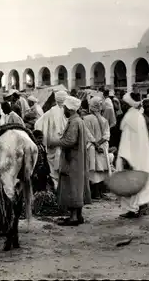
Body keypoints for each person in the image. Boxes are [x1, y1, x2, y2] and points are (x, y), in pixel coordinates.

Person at [116, 93, 149, 218]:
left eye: (125, 104)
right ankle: (136, 207)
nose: (123, 105)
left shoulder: (133, 117)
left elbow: (131, 139)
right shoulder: (135, 116)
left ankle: (133, 209)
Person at [48, 96, 91, 226]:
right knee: (78, 187)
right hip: (78, 159)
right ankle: (79, 215)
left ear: (70, 109)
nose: (64, 111)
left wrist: (54, 142)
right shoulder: (79, 120)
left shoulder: (74, 122)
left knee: (72, 186)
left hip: (72, 160)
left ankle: (73, 218)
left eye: (65, 108)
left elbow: (70, 141)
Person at [34, 91, 68, 190]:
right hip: (64, 145)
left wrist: (47, 138)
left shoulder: (49, 112)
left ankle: (56, 189)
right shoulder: (68, 113)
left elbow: (37, 124)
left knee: (53, 170)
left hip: (51, 146)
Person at [83, 96, 110, 199]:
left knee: (93, 170)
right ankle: (99, 192)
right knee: (101, 170)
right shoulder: (104, 120)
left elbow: (88, 134)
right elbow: (106, 135)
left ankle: (95, 193)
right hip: (102, 146)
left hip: (92, 147)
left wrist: (95, 144)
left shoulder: (86, 119)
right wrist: (99, 144)